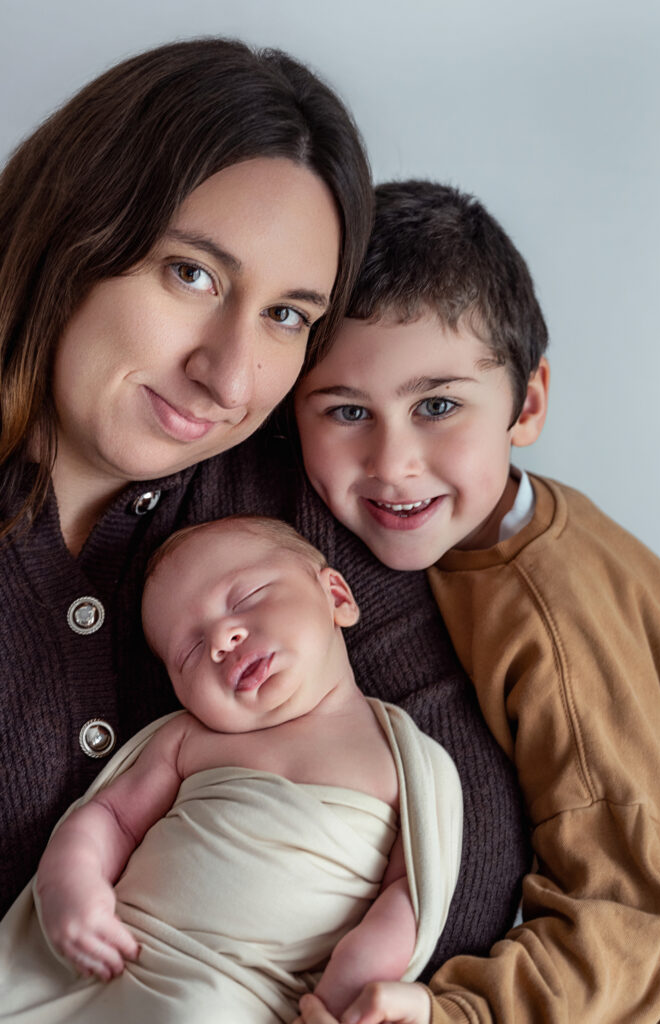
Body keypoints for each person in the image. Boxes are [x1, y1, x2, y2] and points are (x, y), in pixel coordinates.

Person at [0, 35, 532, 980]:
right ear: (72, 234)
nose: (229, 374)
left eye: (287, 314)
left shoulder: (296, 494)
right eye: (192, 274)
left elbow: (473, 842)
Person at [293, 180, 660, 1023]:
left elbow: (631, 918)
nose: (392, 461)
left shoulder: (549, 616)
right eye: (346, 411)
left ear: (527, 403)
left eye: (437, 406)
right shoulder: (473, 533)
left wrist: (453, 1015)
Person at [0, 515, 462, 1023]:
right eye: (191, 651)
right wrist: (68, 884)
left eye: (247, 598)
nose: (223, 637)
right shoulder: (189, 740)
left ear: (336, 597)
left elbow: (410, 894)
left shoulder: (405, 759)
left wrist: (349, 985)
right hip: (128, 958)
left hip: (250, 993)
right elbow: (110, 817)